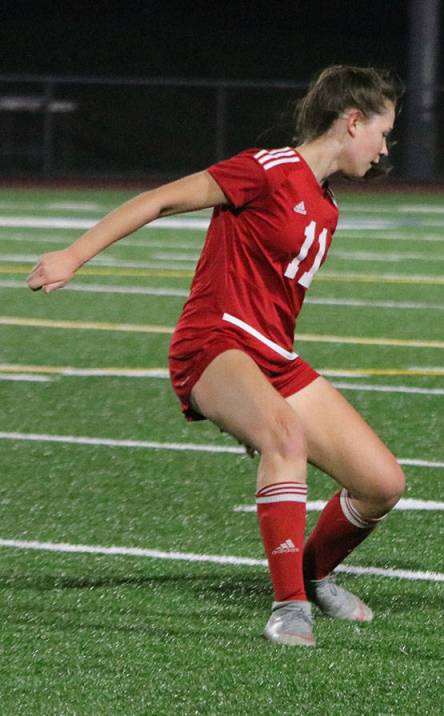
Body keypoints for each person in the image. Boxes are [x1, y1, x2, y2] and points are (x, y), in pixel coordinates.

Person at [26, 65, 406, 648]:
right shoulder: (266, 168)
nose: (385, 149)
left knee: (382, 483)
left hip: (272, 355)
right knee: (284, 434)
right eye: (382, 132)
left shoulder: (328, 208)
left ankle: (311, 570)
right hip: (214, 341)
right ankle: (289, 605)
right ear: (352, 121)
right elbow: (158, 201)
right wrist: (74, 255)